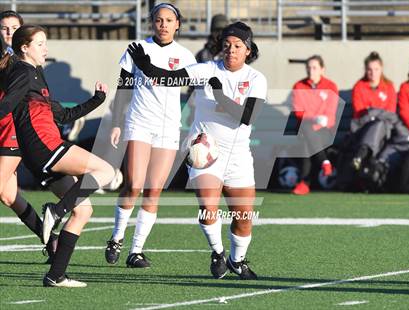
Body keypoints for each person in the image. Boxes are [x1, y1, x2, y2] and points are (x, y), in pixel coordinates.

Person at [127, 21, 267, 279]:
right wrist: (146, 66)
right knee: (208, 207)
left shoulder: (256, 79)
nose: (231, 50)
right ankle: (217, 252)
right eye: (226, 45)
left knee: (244, 217)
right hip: (205, 150)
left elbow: (247, 116)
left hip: (238, 156)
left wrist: (219, 94)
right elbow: (171, 78)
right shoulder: (207, 69)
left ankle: (237, 260)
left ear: (248, 50)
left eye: (237, 46)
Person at [0, 24, 114, 287]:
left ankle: (56, 274)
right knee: (107, 171)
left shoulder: (35, 74)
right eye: (40, 43)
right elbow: (6, 105)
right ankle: (55, 210)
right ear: (24, 48)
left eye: (45, 43)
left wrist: (97, 100)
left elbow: (61, 115)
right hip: (45, 146)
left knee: (84, 210)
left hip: (43, 149)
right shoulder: (23, 71)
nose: (45, 48)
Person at [105, 3, 196, 268]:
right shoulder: (138, 48)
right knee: (133, 184)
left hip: (168, 128)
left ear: (177, 24)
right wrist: (117, 122)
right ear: (151, 23)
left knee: (154, 190)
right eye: (159, 20)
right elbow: (124, 87)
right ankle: (117, 237)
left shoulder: (186, 55)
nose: (164, 25)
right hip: (140, 122)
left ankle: (136, 251)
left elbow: (185, 86)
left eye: (169, 20)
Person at [0, 10, 58, 262]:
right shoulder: (4, 59)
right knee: (7, 195)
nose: (9, 32)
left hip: (12, 129)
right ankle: (51, 240)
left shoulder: (23, 62)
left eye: (14, 27)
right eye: (4, 28)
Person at [291, 55, 339, 195]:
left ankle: (304, 183)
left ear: (322, 70)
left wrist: (321, 121)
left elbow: (331, 114)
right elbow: (299, 112)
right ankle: (324, 162)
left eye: (314, 68)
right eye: (308, 68)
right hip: (305, 129)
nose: (310, 71)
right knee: (306, 129)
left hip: (324, 131)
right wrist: (314, 119)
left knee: (307, 138)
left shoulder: (331, 86)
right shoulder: (299, 86)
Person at [351, 51, 397, 170]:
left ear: (381, 69)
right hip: (363, 127)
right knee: (376, 125)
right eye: (369, 69)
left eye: (376, 69)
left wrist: (373, 112)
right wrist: (376, 114)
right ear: (365, 70)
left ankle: (363, 153)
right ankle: (370, 159)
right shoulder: (359, 86)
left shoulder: (389, 87)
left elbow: (391, 113)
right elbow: (360, 111)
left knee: (380, 124)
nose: (373, 73)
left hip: (386, 129)